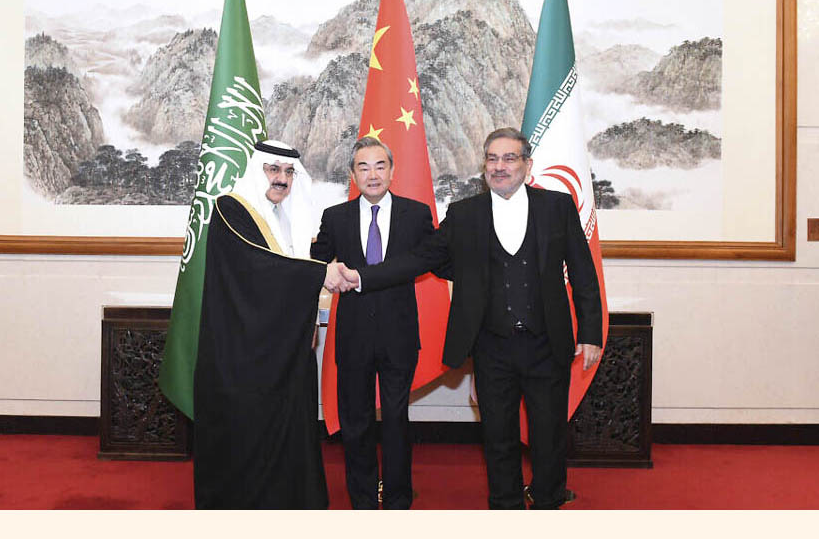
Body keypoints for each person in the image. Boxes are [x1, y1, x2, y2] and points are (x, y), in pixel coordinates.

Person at [339, 127, 603, 509]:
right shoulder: (464, 214)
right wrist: (365, 276)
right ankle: (505, 507)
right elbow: (423, 258)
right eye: (492, 159)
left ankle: (547, 502)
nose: (500, 167)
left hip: (548, 343)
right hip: (491, 345)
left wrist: (591, 331)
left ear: (527, 166)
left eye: (509, 158)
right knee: (498, 437)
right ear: (484, 167)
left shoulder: (557, 207)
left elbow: (583, 272)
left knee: (548, 436)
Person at [194, 139, 342, 509]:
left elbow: (285, 276)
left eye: (289, 172)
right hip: (243, 356)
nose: (282, 179)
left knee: (291, 434)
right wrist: (319, 273)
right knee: (248, 440)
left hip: (285, 353)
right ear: (256, 170)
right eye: (273, 169)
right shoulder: (231, 208)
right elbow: (258, 268)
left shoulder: (289, 219)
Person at [311, 137, 437, 509]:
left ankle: (398, 500)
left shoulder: (416, 214)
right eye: (363, 167)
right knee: (357, 422)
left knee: (397, 420)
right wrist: (325, 270)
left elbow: (433, 257)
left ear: (392, 171)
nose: (372, 174)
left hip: (399, 335)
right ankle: (363, 501)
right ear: (353, 175)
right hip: (353, 337)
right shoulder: (335, 217)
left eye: (380, 165)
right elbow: (316, 264)